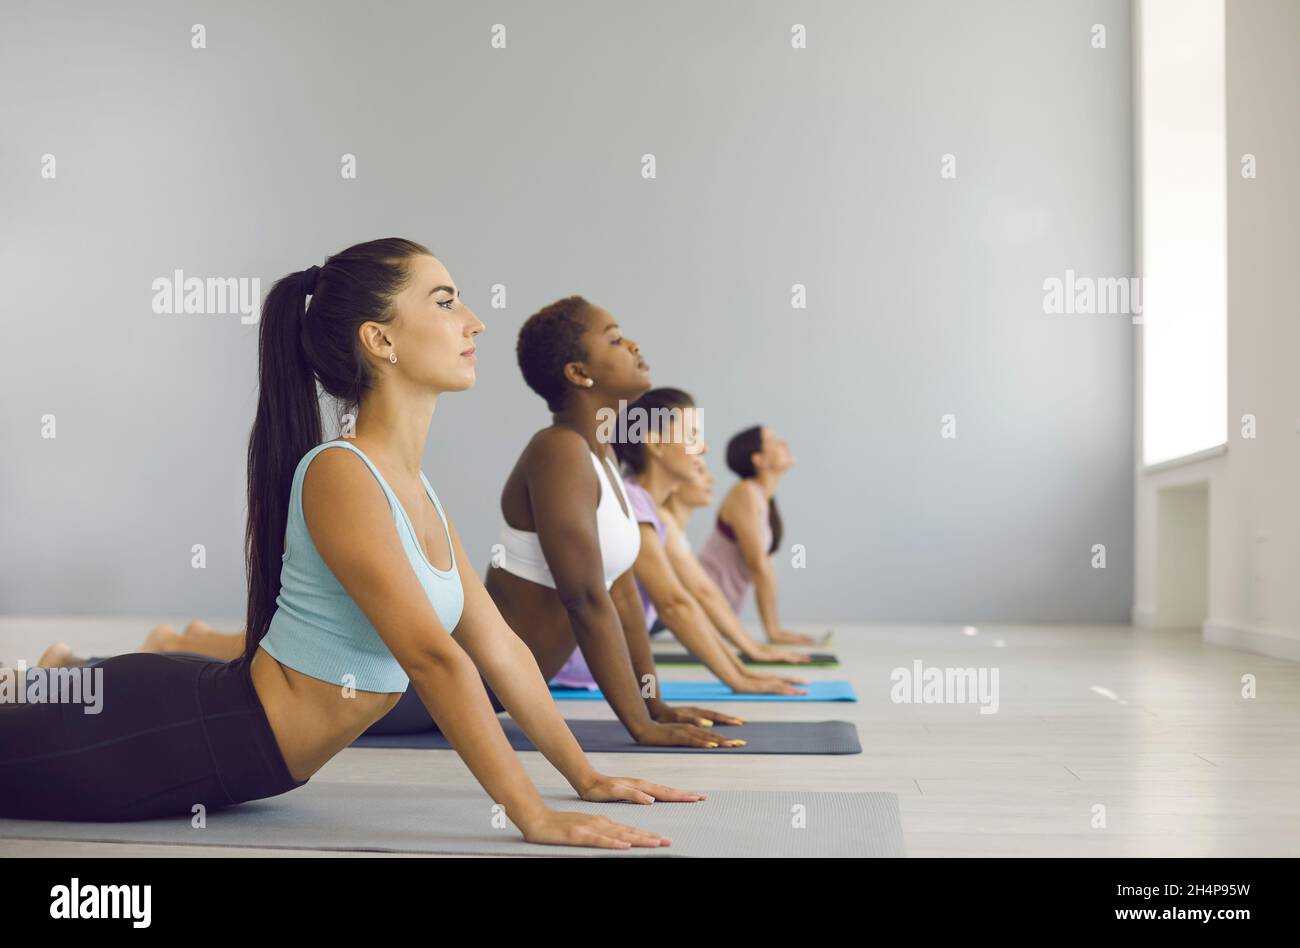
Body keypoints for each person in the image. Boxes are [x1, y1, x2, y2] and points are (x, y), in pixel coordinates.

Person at [0, 239, 696, 849]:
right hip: (171, 732)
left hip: (225, 755)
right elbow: (434, 660)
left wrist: (587, 777)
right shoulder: (342, 474)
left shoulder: (416, 492)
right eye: (446, 301)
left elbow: (500, 650)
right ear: (380, 340)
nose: (474, 321)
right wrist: (531, 814)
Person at [483, 297, 748, 746]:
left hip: (482, 692)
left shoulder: (600, 457)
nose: (633, 344)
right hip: (426, 687)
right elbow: (583, 598)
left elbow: (622, 593)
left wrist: (653, 704)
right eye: (614, 339)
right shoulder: (558, 450)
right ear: (578, 372)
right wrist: (640, 728)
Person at [610, 388, 809, 694]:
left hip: (598, 666)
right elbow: (675, 605)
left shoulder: (646, 506)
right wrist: (739, 677)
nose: (702, 447)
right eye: (691, 436)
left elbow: (698, 593)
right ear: (656, 444)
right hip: (580, 668)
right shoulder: (634, 504)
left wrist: (742, 666)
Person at [660, 456, 811, 664]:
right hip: (675, 616)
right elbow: (701, 593)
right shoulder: (662, 523)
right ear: (674, 482)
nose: (711, 479)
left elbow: (704, 591)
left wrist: (751, 649)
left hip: (697, 614)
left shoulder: (671, 527)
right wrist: (750, 656)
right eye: (700, 472)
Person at [698, 425, 817, 645]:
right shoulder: (745, 492)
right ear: (759, 460)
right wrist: (773, 632)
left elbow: (767, 569)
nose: (785, 444)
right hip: (690, 607)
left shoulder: (763, 499)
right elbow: (758, 566)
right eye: (773, 440)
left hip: (713, 613)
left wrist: (776, 630)